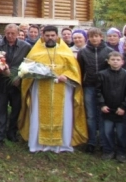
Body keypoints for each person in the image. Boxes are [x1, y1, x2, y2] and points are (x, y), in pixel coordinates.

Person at [18, 25, 87, 153]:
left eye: (52, 35)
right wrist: (35, 74)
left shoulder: (65, 52)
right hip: (40, 88)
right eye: (47, 35)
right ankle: (38, 144)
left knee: (63, 115)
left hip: (62, 89)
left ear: (57, 36)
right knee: (38, 114)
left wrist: (66, 76)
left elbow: (74, 70)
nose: (50, 38)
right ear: (43, 36)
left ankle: (61, 144)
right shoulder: (35, 51)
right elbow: (27, 70)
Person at [0, 24, 31, 148]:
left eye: (13, 33)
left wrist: (19, 77)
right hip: (1, 83)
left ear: (18, 33)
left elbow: (28, 64)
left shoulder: (26, 47)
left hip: (17, 84)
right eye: (8, 33)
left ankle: (12, 132)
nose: (10, 36)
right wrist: (1, 71)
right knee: (0, 110)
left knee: (16, 110)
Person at [77, 28, 113, 154]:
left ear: (101, 37)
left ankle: (103, 142)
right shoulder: (83, 52)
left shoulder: (109, 51)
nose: (94, 39)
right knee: (91, 115)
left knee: (103, 115)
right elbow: (80, 69)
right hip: (89, 86)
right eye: (91, 36)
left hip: (104, 88)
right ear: (88, 38)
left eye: (96, 36)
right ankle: (91, 141)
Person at [96, 52, 126, 162]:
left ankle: (121, 152)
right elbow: (98, 91)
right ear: (108, 61)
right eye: (112, 59)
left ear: (122, 62)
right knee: (107, 131)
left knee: (121, 133)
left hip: (121, 110)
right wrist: (102, 104)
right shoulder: (102, 74)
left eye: (118, 59)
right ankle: (108, 151)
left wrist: (123, 107)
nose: (115, 61)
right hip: (107, 109)